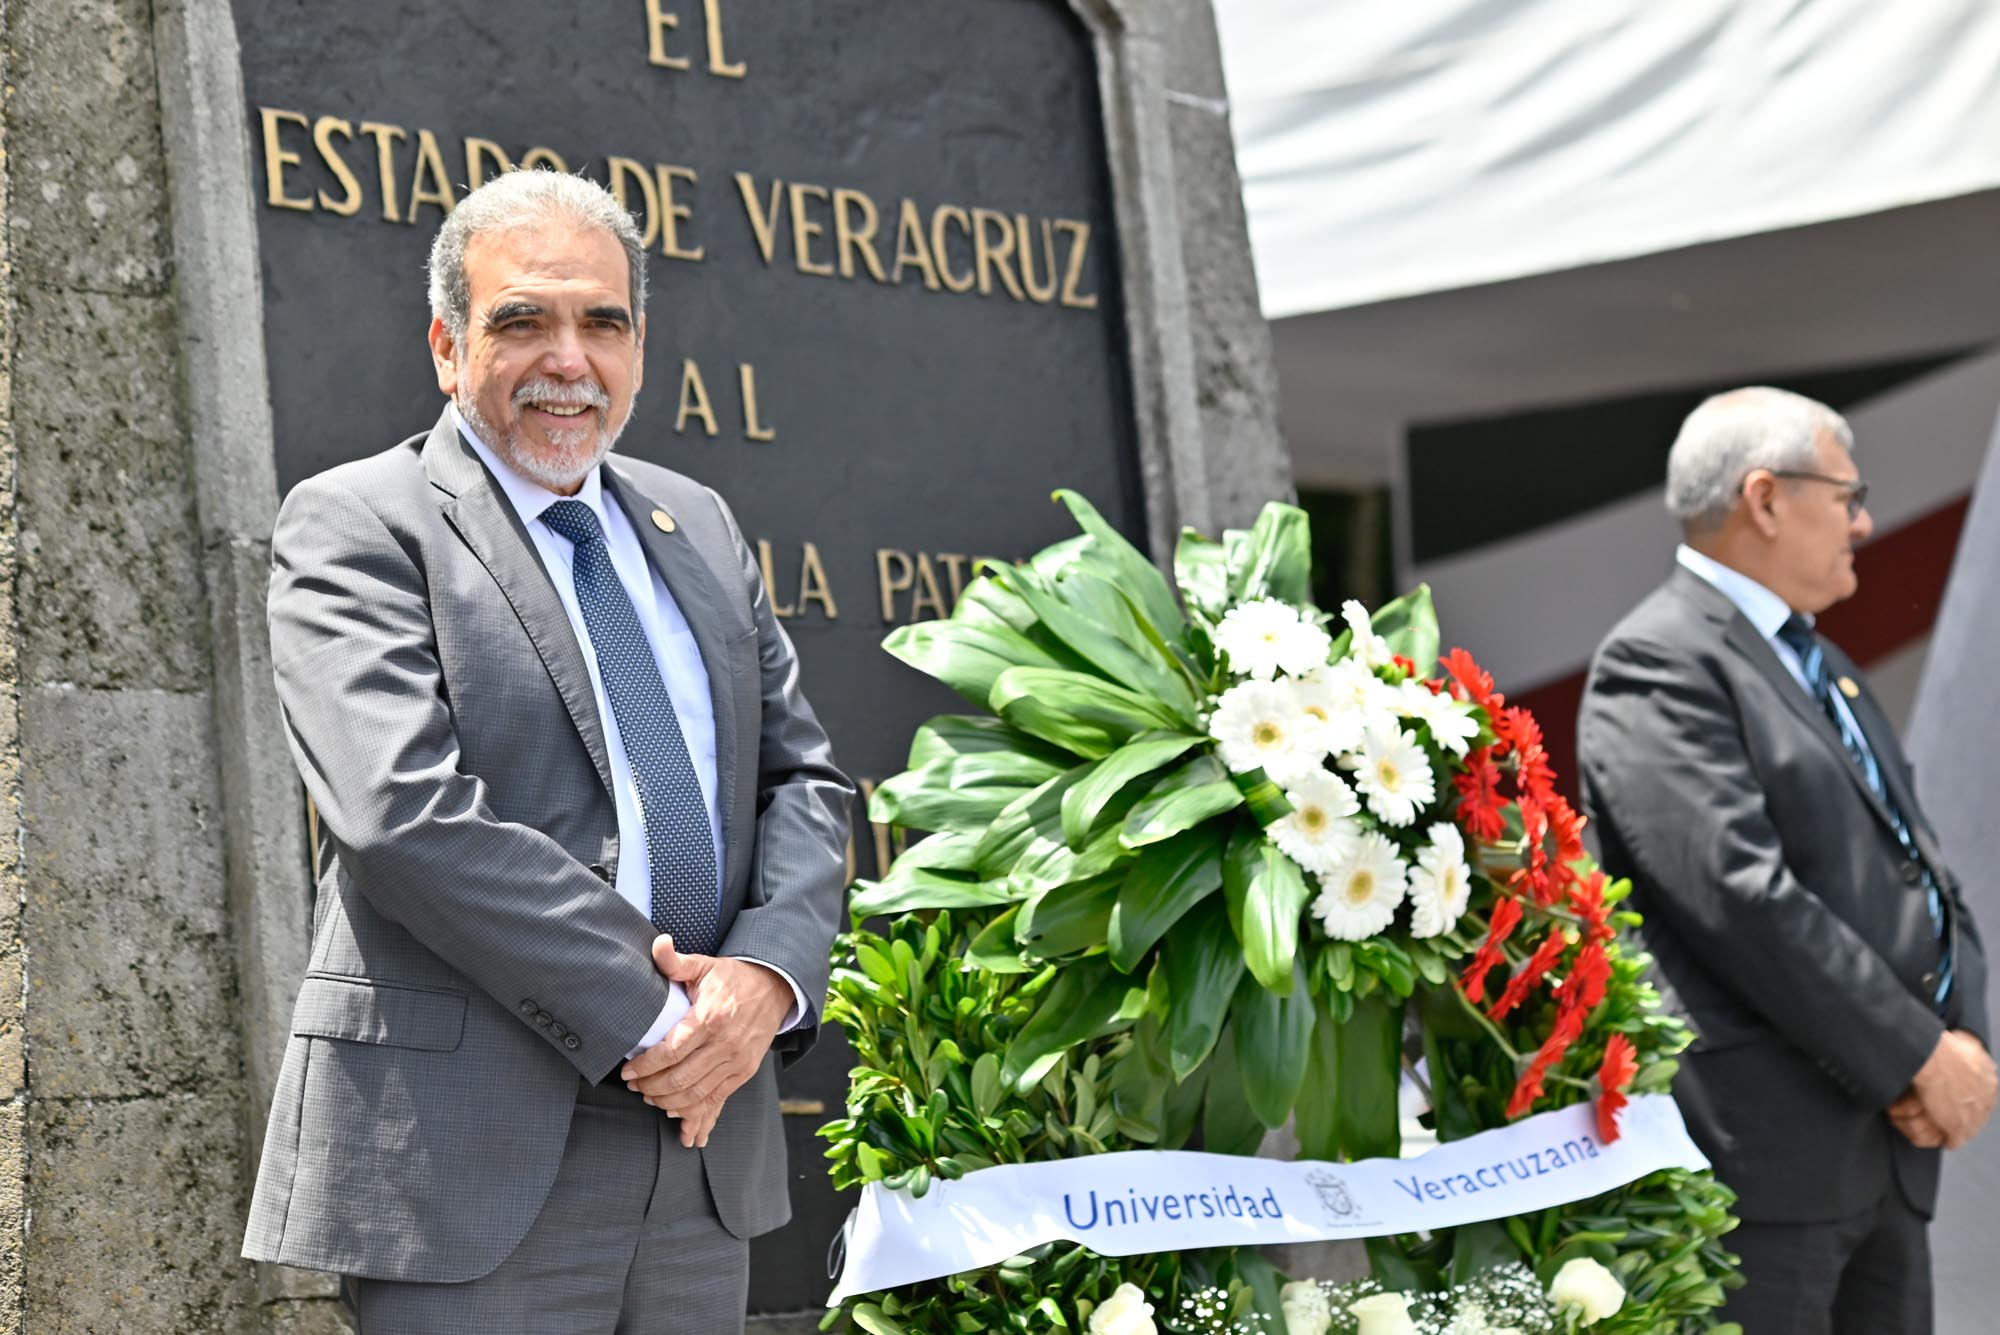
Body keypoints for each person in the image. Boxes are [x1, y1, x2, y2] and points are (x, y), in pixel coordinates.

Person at [241, 169, 853, 1333]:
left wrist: (761, 987)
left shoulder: (700, 525)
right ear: (446, 346)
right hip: (470, 1150)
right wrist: (667, 1018)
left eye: (601, 323)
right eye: (521, 320)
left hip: (699, 1147)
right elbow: (398, 812)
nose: (566, 358)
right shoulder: (361, 521)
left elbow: (801, 783)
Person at [1577, 386, 1994, 1333]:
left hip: (1884, 1151)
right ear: (1765, 499)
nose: (1865, 521)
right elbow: (1746, 898)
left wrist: (1959, 1044)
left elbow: (1920, 866)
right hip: (1765, 1167)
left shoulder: (1823, 665)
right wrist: (1917, 1054)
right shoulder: (1661, 659)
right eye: (1847, 496)